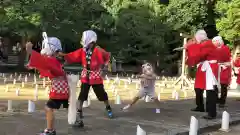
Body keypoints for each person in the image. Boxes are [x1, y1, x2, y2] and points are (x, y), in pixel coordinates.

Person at [59, 30, 113, 127]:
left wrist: (106, 62)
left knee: (101, 94)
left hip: (95, 75)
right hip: (85, 75)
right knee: (82, 94)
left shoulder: (97, 50)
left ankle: (108, 107)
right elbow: (72, 55)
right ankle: (79, 110)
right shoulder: (83, 50)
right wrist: (62, 55)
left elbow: (107, 56)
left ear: (92, 42)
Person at [25, 37, 69, 135]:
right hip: (60, 89)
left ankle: (50, 131)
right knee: (49, 108)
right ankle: (51, 130)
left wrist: (30, 51)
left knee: (48, 108)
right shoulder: (53, 60)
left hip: (59, 90)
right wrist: (34, 65)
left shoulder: (52, 60)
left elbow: (44, 63)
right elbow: (45, 65)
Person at [186, 30, 219, 119]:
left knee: (210, 90)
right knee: (209, 90)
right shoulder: (206, 44)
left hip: (210, 68)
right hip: (208, 67)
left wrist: (190, 47)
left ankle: (212, 113)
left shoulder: (207, 44)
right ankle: (209, 111)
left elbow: (200, 55)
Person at [212, 36, 231, 108]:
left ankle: (222, 101)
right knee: (215, 84)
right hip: (217, 68)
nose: (213, 43)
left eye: (214, 41)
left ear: (218, 41)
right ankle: (216, 99)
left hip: (224, 68)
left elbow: (223, 56)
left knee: (223, 85)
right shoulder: (214, 49)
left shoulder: (225, 48)